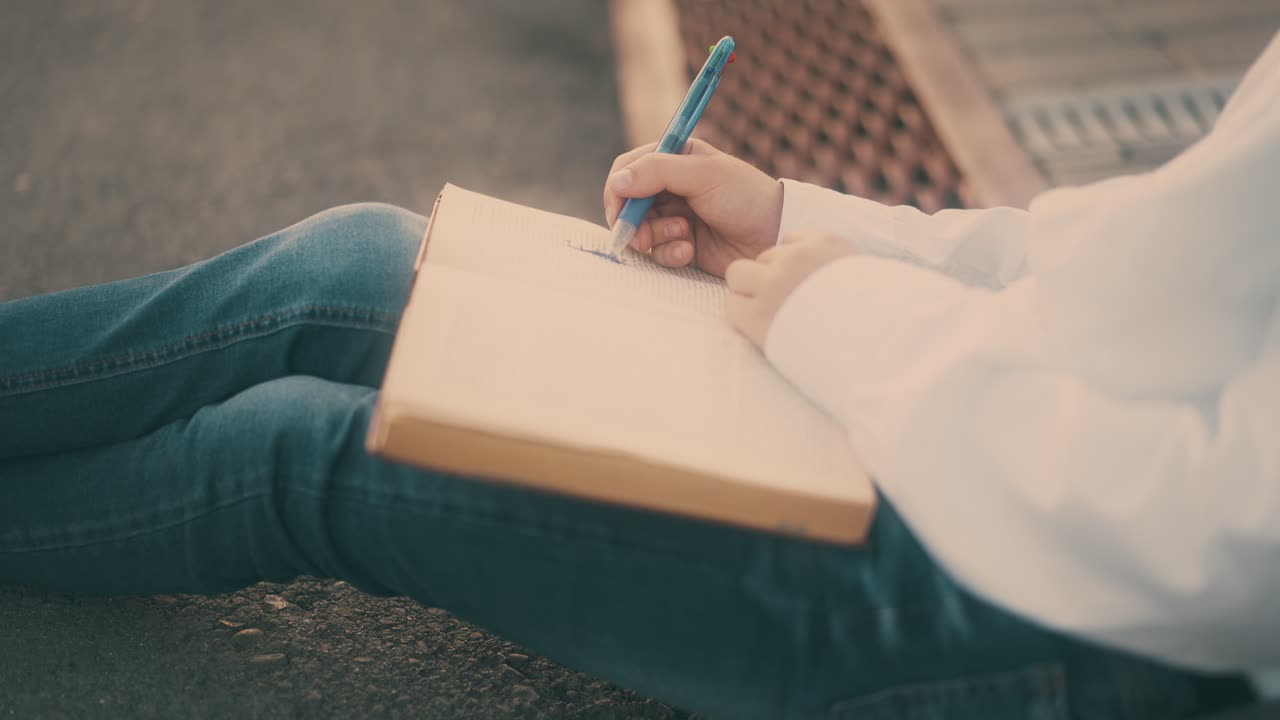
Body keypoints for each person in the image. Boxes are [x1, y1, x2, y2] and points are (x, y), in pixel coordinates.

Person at [4, 30, 1277, 720]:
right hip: (948, 425)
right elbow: (1115, 261)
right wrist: (789, 221)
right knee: (360, 259)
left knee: (292, 450)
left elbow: (1211, 541)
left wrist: (843, 315)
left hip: (1060, 616)